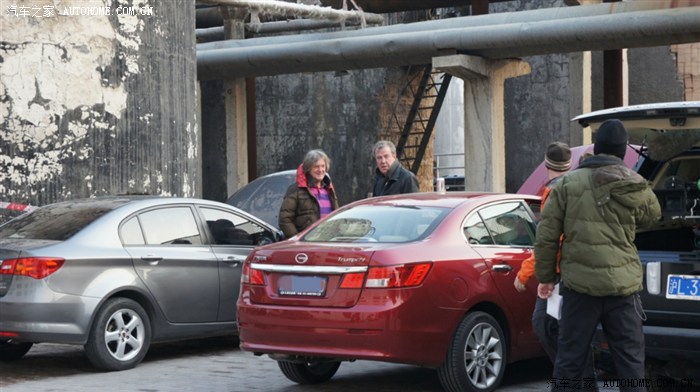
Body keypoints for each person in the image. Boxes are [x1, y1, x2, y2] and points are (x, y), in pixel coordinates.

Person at [535, 119, 661, 392]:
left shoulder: (566, 184)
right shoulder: (635, 183)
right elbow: (653, 216)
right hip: (622, 290)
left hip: (580, 290)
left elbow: (546, 237)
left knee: (569, 361)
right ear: (620, 152)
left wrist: (545, 278)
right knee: (630, 367)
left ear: (597, 147)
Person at [513, 142, 572, 363]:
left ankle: (567, 376)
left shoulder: (554, 192)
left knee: (545, 325)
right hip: (569, 271)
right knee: (564, 331)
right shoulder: (570, 188)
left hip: (558, 274)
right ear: (569, 165)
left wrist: (527, 273)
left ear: (546, 164)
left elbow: (548, 241)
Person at [279, 149, 339, 239]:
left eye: (323, 166)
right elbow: (285, 219)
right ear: (308, 168)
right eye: (316, 167)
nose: (320, 170)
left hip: (328, 243)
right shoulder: (295, 190)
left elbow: (337, 217)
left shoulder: (329, 189)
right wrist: (298, 239)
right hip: (307, 246)